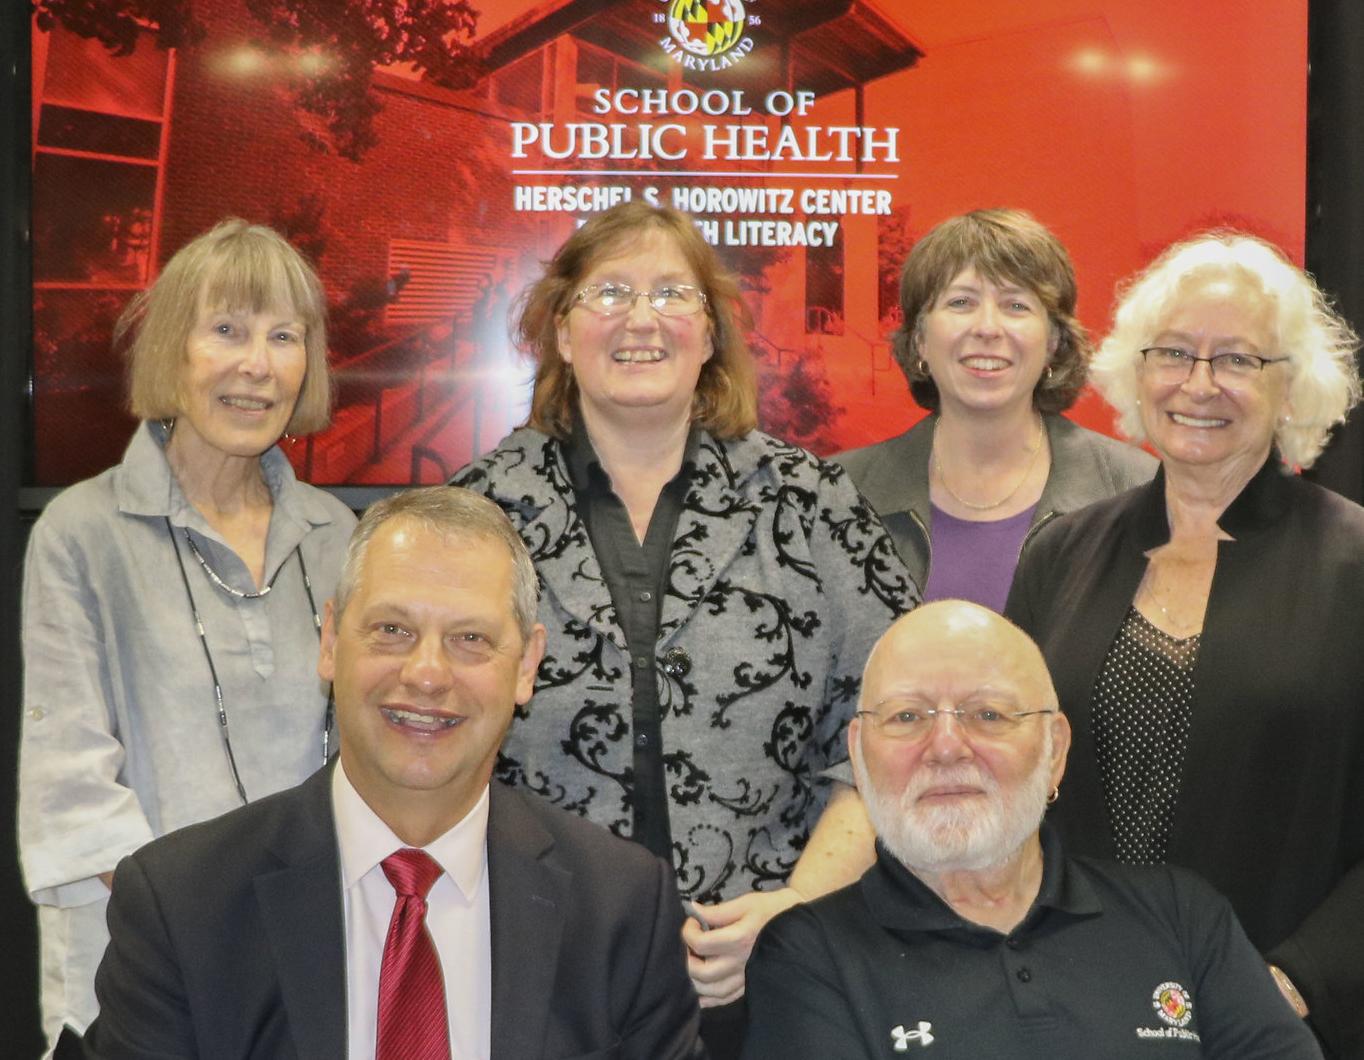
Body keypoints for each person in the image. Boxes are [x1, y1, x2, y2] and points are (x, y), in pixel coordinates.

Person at [452, 200, 916, 1054]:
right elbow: (420, 735)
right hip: (532, 973)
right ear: (560, 331)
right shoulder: (472, 515)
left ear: (709, 336)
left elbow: (906, 720)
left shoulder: (813, 504)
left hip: (784, 974)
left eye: (672, 294)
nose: (641, 318)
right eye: (608, 293)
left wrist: (799, 904)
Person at [81, 486, 704, 1060]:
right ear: (329, 641)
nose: (427, 674)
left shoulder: (623, 909)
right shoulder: (183, 904)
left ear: (527, 665)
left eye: (470, 639)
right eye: (392, 630)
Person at [1006, 231, 1364, 1057]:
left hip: (1275, 1014)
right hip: (1072, 1005)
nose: (1199, 384)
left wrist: (1296, 978)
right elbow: (1012, 785)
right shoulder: (1060, 554)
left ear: (1292, 388)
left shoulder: (1353, 569)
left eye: (1238, 360)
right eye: (1174, 353)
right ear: (1137, 371)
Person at [19, 219, 356, 1058]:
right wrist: (206, 929)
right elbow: (71, 778)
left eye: (285, 337)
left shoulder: (338, 534)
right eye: (228, 331)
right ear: (174, 350)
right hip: (143, 979)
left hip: (318, 970)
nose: (258, 365)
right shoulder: (81, 531)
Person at [742, 601, 1323, 1059]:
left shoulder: (1182, 917)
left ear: (1055, 752)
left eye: (989, 714)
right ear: (860, 758)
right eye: (907, 717)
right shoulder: (808, 957)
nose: (945, 747)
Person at [836, 209, 1154, 612]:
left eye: (1016, 306)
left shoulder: (1136, 493)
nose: (987, 328)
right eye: (961, 302)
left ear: (1054, 341)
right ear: (919, 340)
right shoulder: (837, 494)